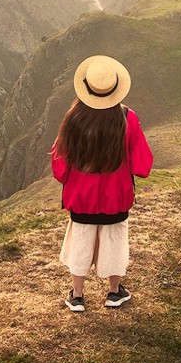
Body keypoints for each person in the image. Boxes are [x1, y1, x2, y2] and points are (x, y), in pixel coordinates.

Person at [51, 54, 153, 312]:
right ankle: (114, 292)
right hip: (115, 197)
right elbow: (143, 165)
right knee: (114, 242)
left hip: (81, 198)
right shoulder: (128, 118)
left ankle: (77, 295)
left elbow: (59, 164)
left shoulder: (74, 118)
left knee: (81, 242)